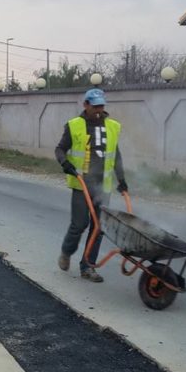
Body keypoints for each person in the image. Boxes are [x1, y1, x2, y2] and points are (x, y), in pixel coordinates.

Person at [55, 88, 128, 282]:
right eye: (95, 106)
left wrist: (121, 180)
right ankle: (66, 252)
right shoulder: (74, 125)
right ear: (85, 105)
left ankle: (87, 267)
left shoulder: (112, 127)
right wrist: (65, 163)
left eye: (101, 106)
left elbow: (116, 156)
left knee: (99, 227)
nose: (98, 110)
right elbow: (60, 149)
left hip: (102, 185)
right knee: (79, 224)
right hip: (82, 184)